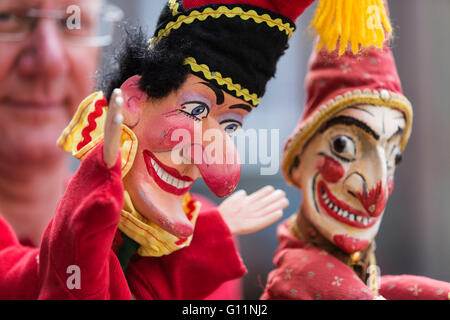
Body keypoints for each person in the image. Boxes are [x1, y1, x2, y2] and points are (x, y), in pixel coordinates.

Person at [261, 36, 450, 300]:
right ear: (296, 162)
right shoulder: (301, 278)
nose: (377, 193)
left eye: (393, 157)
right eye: (342, 146)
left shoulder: (357, 278)